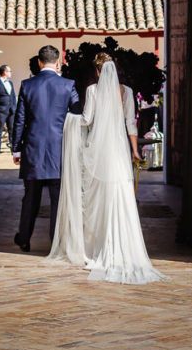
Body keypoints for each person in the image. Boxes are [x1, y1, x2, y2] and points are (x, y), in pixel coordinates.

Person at [46, 53, 166, 284]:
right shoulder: (127, 92)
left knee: (96, 200)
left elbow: (87, 120)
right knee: (118, 195)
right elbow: (131, 123)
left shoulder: (93, 91)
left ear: (98, 72)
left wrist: (68, 119)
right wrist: (134, 150)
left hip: (98, 152)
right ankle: (119, 244)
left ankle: (97, 246)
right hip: (119, 151)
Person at [11, 46, 80, 252]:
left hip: (33, 149)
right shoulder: (69, 85)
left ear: (40, 62)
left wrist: (16, 149)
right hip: (60, 150)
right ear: (57, 62)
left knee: (30, 197)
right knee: (58, 200)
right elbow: (77, 114)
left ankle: (24, 237)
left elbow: (19, 119)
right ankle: (56, 242)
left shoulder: (27, 85)